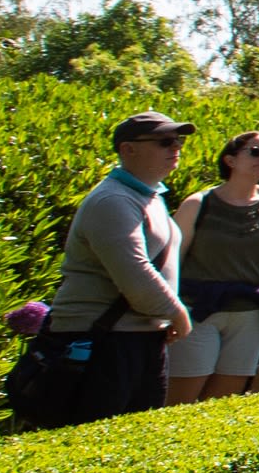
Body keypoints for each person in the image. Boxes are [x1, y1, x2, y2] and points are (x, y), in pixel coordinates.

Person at [38, 110, 195, 424]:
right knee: (92, 446)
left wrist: (164, 320)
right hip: (100, 341)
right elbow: (135, 272)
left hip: (139, 339)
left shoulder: (149, 197)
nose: (175, 147)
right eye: (164, 141)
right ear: (128, 149)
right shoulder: (112, 200)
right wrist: (178, 314)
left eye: (177, 140)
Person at [167, 129, 259, 405]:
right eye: (256, 151)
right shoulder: (198, 203)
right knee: (180, 403)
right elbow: (170, 262)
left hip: (251, 315)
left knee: (223, 403)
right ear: (230, 160)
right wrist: (169, 312)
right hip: (198, 311)